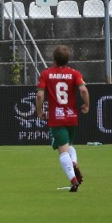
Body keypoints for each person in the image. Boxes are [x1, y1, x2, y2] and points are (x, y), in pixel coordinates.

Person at [36, 45, 89, 192]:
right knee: (68, 146)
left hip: (57, 117)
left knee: (63, 150)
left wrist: (39, 110)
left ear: (53, 59)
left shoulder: (46, 74)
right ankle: (74, 163)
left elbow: (40, 95)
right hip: (72, 117)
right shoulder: (74, 73)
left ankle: (74, 180)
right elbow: (83, 89)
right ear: (67, 60)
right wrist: (86, 104)